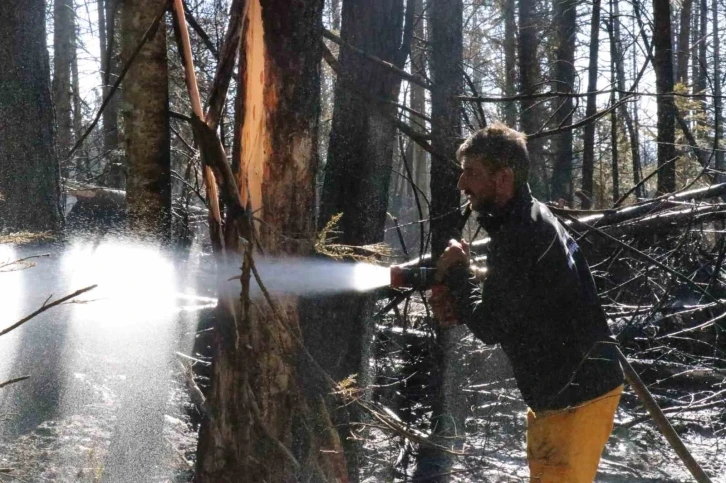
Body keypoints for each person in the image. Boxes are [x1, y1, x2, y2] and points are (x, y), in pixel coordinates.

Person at [431, 123, 624, 483]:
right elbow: (515, 300)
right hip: (570, 394)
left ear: (503, 179)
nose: (462, 185)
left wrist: (458, 275)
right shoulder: (529, 220)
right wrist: (463, 286)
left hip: (575, 400)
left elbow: (489, 326)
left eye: (471, 173)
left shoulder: (523, 235)